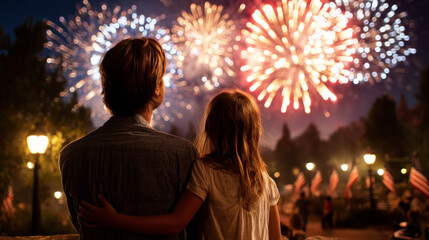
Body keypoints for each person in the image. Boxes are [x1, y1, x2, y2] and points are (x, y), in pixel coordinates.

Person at [79, 89, 282, 240]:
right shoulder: (265, 181)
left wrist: (115, 220)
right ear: (255, 132)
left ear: (211, 130)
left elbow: (175, 223)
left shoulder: (206, 171)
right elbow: (276, 238)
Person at [59, 37, 197, 240]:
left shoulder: (71, 156)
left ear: (106, 88)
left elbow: (81, 225)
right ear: (156, 87)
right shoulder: (183, 154)